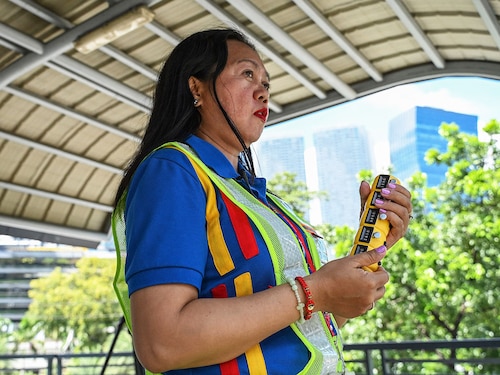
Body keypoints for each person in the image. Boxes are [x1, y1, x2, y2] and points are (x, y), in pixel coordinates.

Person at [112, 28, 412, 375]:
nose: (263, 92)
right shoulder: (173, 170)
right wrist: (312, 291)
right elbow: (162, 343)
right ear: (197, 88)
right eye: (247, 74)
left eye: (266, 83)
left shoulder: (258, 197)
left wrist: (365, 256)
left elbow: (300, 328)